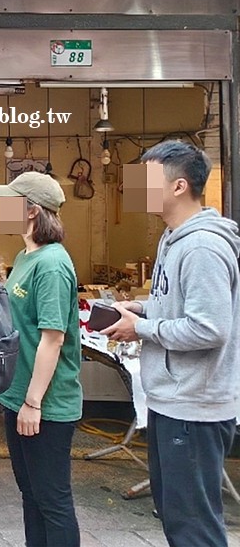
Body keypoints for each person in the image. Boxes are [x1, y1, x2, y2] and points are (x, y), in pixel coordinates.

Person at [103, 140, 240, 547]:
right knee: (176, 516)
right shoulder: (173, 238)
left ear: (179, 186)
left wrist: (140, 330)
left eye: (145, 178)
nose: (134, 187)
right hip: (171, 400)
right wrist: (144, 308)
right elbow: (178, 305)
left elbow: (210, 329)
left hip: (194, 407)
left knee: (193, 526)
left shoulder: (201, 246)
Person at [0, 171, 82, 547]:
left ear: (30, 211)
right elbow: (19, 331)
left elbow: (53, 338)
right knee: (31, 494)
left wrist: (32, 401)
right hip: (19, 396)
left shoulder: (53, 264)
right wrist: (3, 385)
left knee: (52, 499)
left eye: (9, 200)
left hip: (47, 403)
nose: (0, 207)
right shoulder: (26, 256)